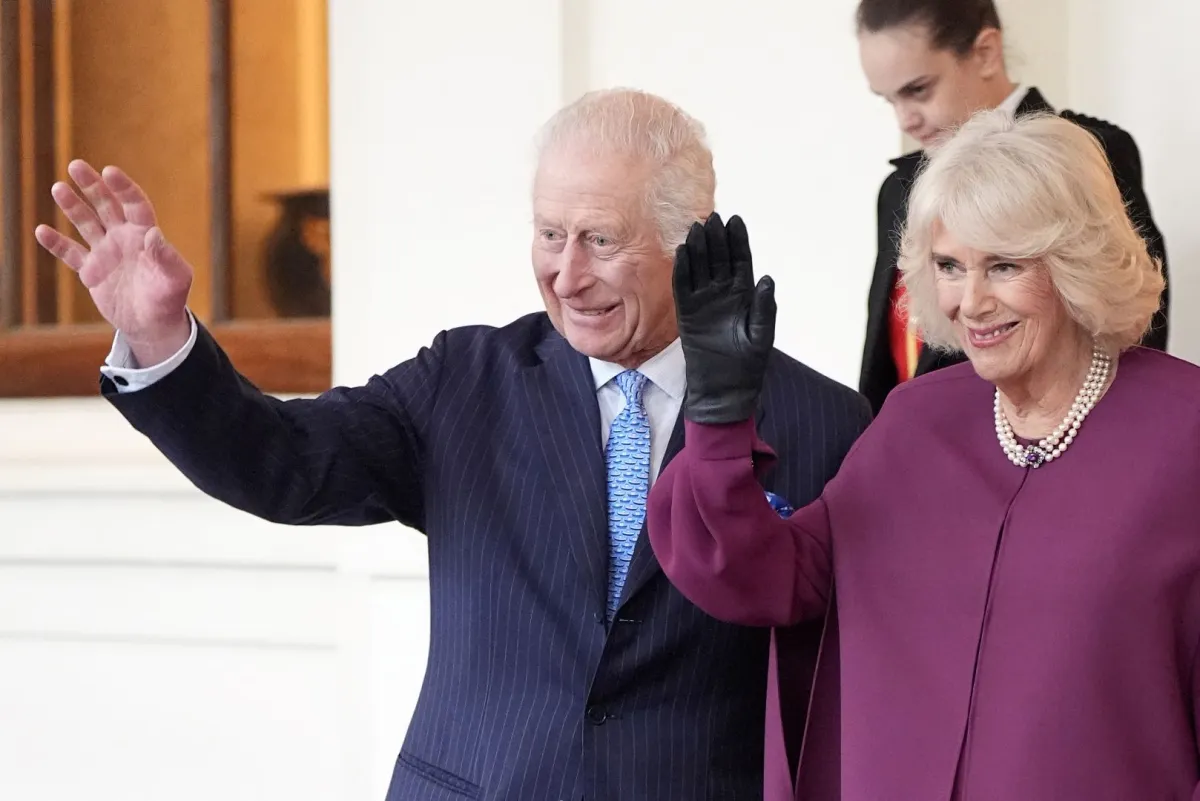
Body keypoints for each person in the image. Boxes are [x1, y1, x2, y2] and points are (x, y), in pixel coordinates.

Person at [34, 88, 871, 801]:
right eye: (549, 234)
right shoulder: (465, 379)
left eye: (600, 240)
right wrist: (161, 340)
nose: (566, 276)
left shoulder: (824, 424)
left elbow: (852, 684)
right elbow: (283, 462)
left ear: (690, 241)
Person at [646, 108, 1200, 800]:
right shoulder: (914, 422)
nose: (972, 301)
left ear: (1075, 262)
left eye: (1004, 265)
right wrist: (719, 419)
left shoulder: (1185, 434)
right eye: (949, 266)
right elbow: (769, 577)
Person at [854, 0, 1170, 415]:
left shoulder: (1085, 155)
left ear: (986, 52)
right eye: (888, 99)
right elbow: (888, 356)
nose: (905, 120)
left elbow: (1129, 328)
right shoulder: (898, 189)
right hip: (912, 436)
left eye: (918, 90)